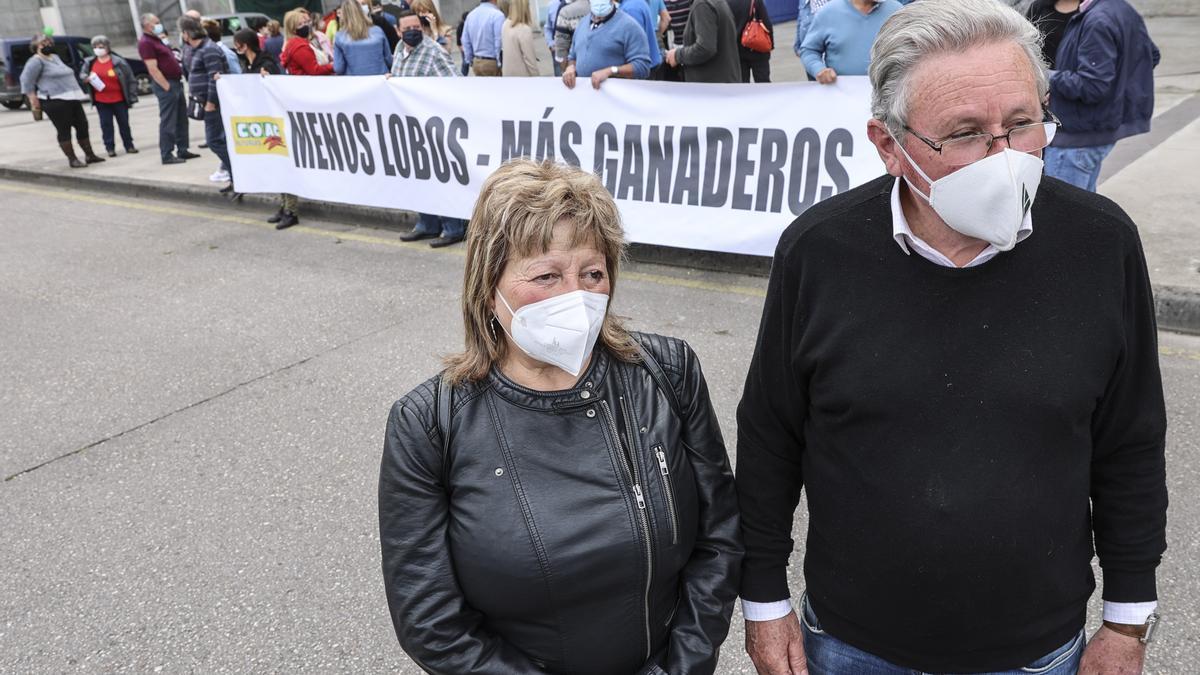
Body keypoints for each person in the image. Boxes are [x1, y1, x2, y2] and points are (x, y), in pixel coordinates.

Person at [736, 1, 1167, 674]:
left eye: (1023, 123)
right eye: (965, 132)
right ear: (889, 144)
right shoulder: (818, 252)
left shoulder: (1102, 244)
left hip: (1036, 650)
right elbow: (769, 434)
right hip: (852, 644)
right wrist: (763, 599)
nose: (1005, 157)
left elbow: (1131, 439)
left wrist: (1128, 621)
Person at [380, 159, 743, 674]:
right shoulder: (429, 424)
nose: (575, 296)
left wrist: (680, 668)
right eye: (547, 276)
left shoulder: (667, 371)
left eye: (592, 273)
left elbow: (719, 539)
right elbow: (430, 619)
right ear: (489, 288)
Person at [1044, 0, 1159, 192]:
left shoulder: (1099, 19)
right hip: (1092, 132)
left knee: (1066, 216)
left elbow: (1091, 86)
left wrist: (1045, 75)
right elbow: (1150, 56)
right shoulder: (1120, 9)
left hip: (1078, 137)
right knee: (1086, 211)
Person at [390, 10, 467, 247]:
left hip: (434, 126)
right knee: (418, 177)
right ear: (398, 32)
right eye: (408, 29)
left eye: (417, 27)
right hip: (409, 128)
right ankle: (427, 224)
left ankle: (453, 227)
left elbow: (455, 83)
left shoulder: (434, 52)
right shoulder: (398, 51)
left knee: (441, 177)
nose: (414, 31)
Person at [232, 28, 299, 230]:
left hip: (274, 121)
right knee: (275, 164)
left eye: (239, 45)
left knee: (283, 164)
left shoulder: (266, 63)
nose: (237, 49)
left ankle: (291, 210)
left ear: (248, 44)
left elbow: (274, 84)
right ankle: (283, 206)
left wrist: (266, 77)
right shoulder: (248, 64)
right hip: (262, 121)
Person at [20, 34, 105, 168]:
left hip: (72, 96)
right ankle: (72, 159)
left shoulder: (56, 57)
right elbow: (26, 81)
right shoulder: (35, 61)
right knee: (64, 129)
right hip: (54, 100)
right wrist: (33, 99)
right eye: (43, 43)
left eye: (49, 42)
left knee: (82, 125)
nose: (47, 45)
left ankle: (90, 155)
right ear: (36, 46)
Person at [179, 15, 234, 191]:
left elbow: (215, 77)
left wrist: (210, 102)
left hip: (214, 105)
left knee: (215, 141)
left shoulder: (208, 49)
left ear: (186, 33)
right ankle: (235, 178)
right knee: (218, 140)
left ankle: (237, 175)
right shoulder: (196, 49)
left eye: (182, 32)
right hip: (205, 103)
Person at [138, 14, 197, 165]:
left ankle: (182, 148)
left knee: (181, 119)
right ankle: (167, 153)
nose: (159, 25)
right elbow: (152, 68)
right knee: (169, 120)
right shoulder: (146, 43)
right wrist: (167, 86)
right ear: (148, 25)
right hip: (166, 84)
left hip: (175, 82)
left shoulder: (157, 39)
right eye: (156, 23)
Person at [801, 0, 902, 84]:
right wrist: (819, 69)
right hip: (842, 94)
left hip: (888, 95)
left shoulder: (897, 10)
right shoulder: (829, 12)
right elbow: (809, 50)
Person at [563, 0, 653, 89]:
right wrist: (571, 67)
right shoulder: (583, 23)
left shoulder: (629, 26)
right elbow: (573, 56)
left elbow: (642, 67)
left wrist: (612, 71)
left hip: (613, 99)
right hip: (585, 96)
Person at [79, 35, 139, 158]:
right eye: (95, 47)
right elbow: (82, 74)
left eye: (101, 47)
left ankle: (129, 145)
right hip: (101, 100)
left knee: (124, 123)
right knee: (106, 125)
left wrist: (132, 96)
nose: (98, 49)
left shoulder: (118, 62)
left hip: (119, 99)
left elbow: (130, 79)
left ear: (107, 47)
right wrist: (86, 78)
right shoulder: (90, 62)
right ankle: (110, 148)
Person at [663, 0, 741, 83]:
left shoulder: (702, 5)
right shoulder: (711, 3)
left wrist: (677, 55)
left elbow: (705, 48)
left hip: (711, 86)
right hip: (720, 81)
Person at [334, 0, 394, 75]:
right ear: (361, 11)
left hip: (356, 81)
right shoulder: (378, 30)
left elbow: (338, 68)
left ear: (343, 15)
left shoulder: (340, 36)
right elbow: (389, 59)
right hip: (380, 78)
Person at [727, 0, 774, 83]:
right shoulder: (755, 1)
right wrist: (771, 45)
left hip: (738, 51)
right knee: (763, 84)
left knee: (743, 85)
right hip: (758, 48)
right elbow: (767, 24)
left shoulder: (726, 2)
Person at [1024, 0, 1078, 69]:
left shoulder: (1089, 12)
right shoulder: (1039, 6)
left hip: (1072, 77)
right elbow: (1025, 42)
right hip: (1040, 73)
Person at [281, 10, 335, 76]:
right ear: (293, 29)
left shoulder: (295, 42)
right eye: (300, 24)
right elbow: (314, 70)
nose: (305, 26)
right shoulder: (299, 46)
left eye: (305, 22)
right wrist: (334, 66)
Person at [461, 0, 506, 76]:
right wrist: (499, 62)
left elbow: (465, 40)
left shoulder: (471, 15)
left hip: (477, 61)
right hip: (492, 62)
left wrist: (470, 60)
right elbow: (499, 40)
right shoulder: (497, 15)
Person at [620, 0, 664, 72]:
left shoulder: (631, 8)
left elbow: (635, 47)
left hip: (641, 68)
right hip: (647, 64)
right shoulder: (632, 4)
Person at [793, 0, 832, 77]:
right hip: (810, 53)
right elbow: (801, 19)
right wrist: (798, 44)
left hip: (827, 53)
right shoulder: (804, 1)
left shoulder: (833, 5)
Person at [501, 0, 539, 76]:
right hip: (523, 78)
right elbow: (530, 62)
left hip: (508, 75)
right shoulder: (524, 29)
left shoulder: (505, 24)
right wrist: (537, 78)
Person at [553, 0, 590, 74]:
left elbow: (561, 51)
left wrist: (566, 71)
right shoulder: (609, 8)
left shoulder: (566, 11)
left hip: (574, 71)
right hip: (604, 73)